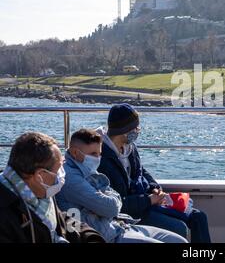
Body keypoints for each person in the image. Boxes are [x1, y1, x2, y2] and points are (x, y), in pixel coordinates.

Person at [97, 104, 211, 243]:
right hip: (131, 213)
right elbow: (116, 203)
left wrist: (154, 187)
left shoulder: (129, 147)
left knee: (198, 217)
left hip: (146, 201)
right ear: (124, 130)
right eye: (136, 127)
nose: (138, 130)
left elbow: (141, 171)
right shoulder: (102, 159)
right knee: (179, 228)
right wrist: (149, 200)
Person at [56, 129, 187, 243]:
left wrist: (107, 200)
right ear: (74, 153)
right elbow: (111, 209)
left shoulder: (86, 168)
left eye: (99, 153)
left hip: (118, 225)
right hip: (105, 236)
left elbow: (113, 197)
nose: (97, 158)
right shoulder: (70, 178)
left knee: (180, 241)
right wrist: (108, 200)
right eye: (93, 154)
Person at [0, 132, 105, 243]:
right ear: (40, 175)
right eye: (59, 168)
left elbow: (62, 220)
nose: (62, 174)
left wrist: (90, 236)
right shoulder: (5, 216)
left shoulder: (41, 193)